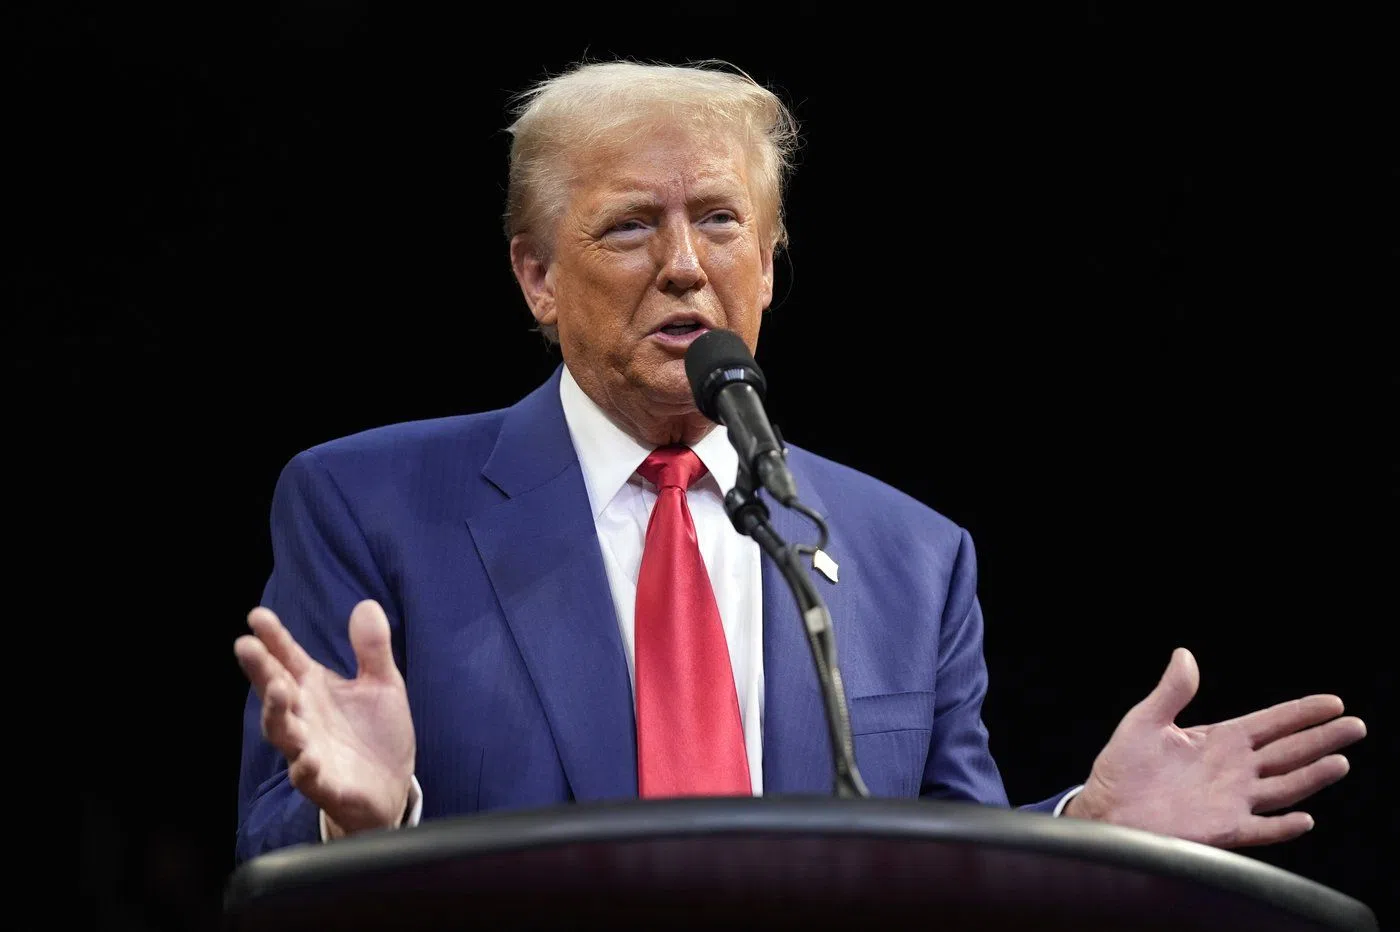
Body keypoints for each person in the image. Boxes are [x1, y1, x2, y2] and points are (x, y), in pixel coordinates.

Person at [232, 60, 1365, 862]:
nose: (683, 265)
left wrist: (1083, 835)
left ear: (768, 268)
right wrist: (368, 822)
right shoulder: (370, 505)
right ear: (535, 275)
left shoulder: (909, 556)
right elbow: (273, 849)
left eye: (720, 222)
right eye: (630, 225)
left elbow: (946, 872)